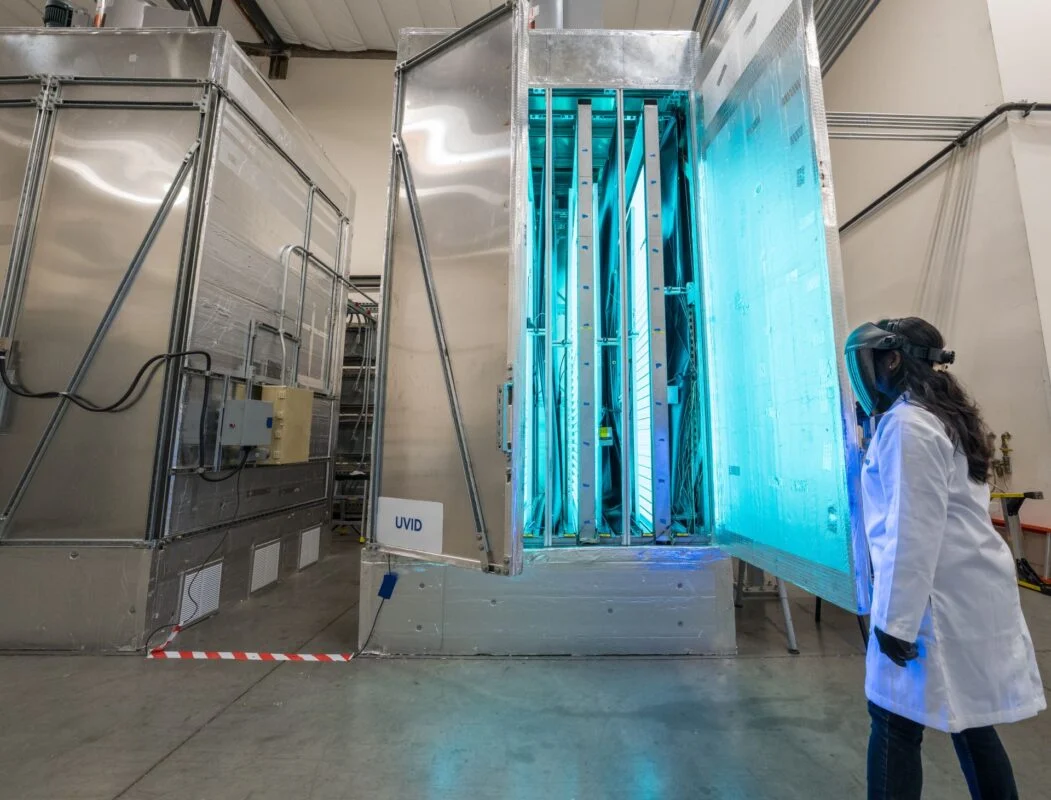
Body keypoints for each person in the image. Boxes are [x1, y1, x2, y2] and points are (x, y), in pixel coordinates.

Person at [844, 317, 1045, 800]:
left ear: (892, 359)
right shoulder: (937, 416)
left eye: (871, 362)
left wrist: (895, 622)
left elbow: (913, 529)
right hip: (964, 592)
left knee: (892, 722)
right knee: (971, 724)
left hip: (934, 600)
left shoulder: (909, 424)